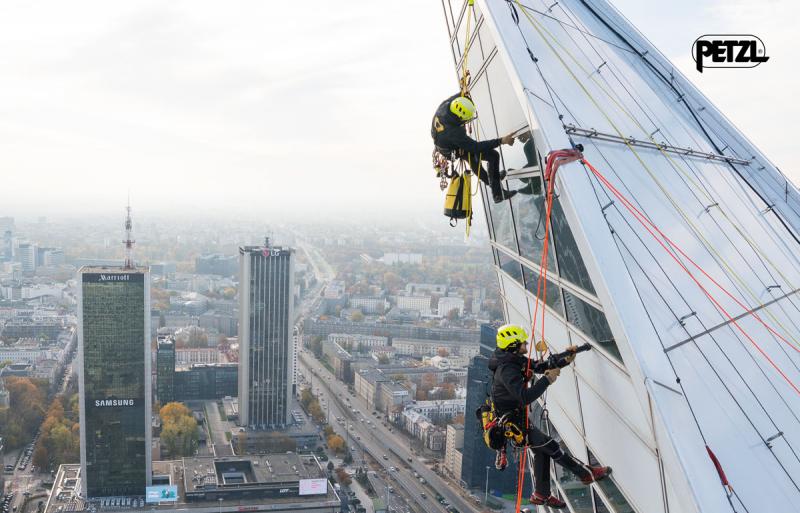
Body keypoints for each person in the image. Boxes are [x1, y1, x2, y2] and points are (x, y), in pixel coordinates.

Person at [488, 324, 611, 509]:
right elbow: (525, 396)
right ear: (513, 345)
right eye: (523, 343)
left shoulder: (513, 360)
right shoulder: (507, 369)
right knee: (549, 446)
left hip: (517, 422)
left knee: (542, 451)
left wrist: (564, 359)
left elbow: (539, 366)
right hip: (512, 426)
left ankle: (541, 494)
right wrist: (547, 379)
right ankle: (585, 474)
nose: (526, 345)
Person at [431, 93, 518, 203]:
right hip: (451, 149)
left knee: (479, 158)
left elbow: (459, 96)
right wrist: (501, 141)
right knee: (491, 156)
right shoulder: (454, 132)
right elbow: (476, 147)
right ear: (459, 117)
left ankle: (493, 180)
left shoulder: (447, 105)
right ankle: (498, 194)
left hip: (444, 142)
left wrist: (465, 93)